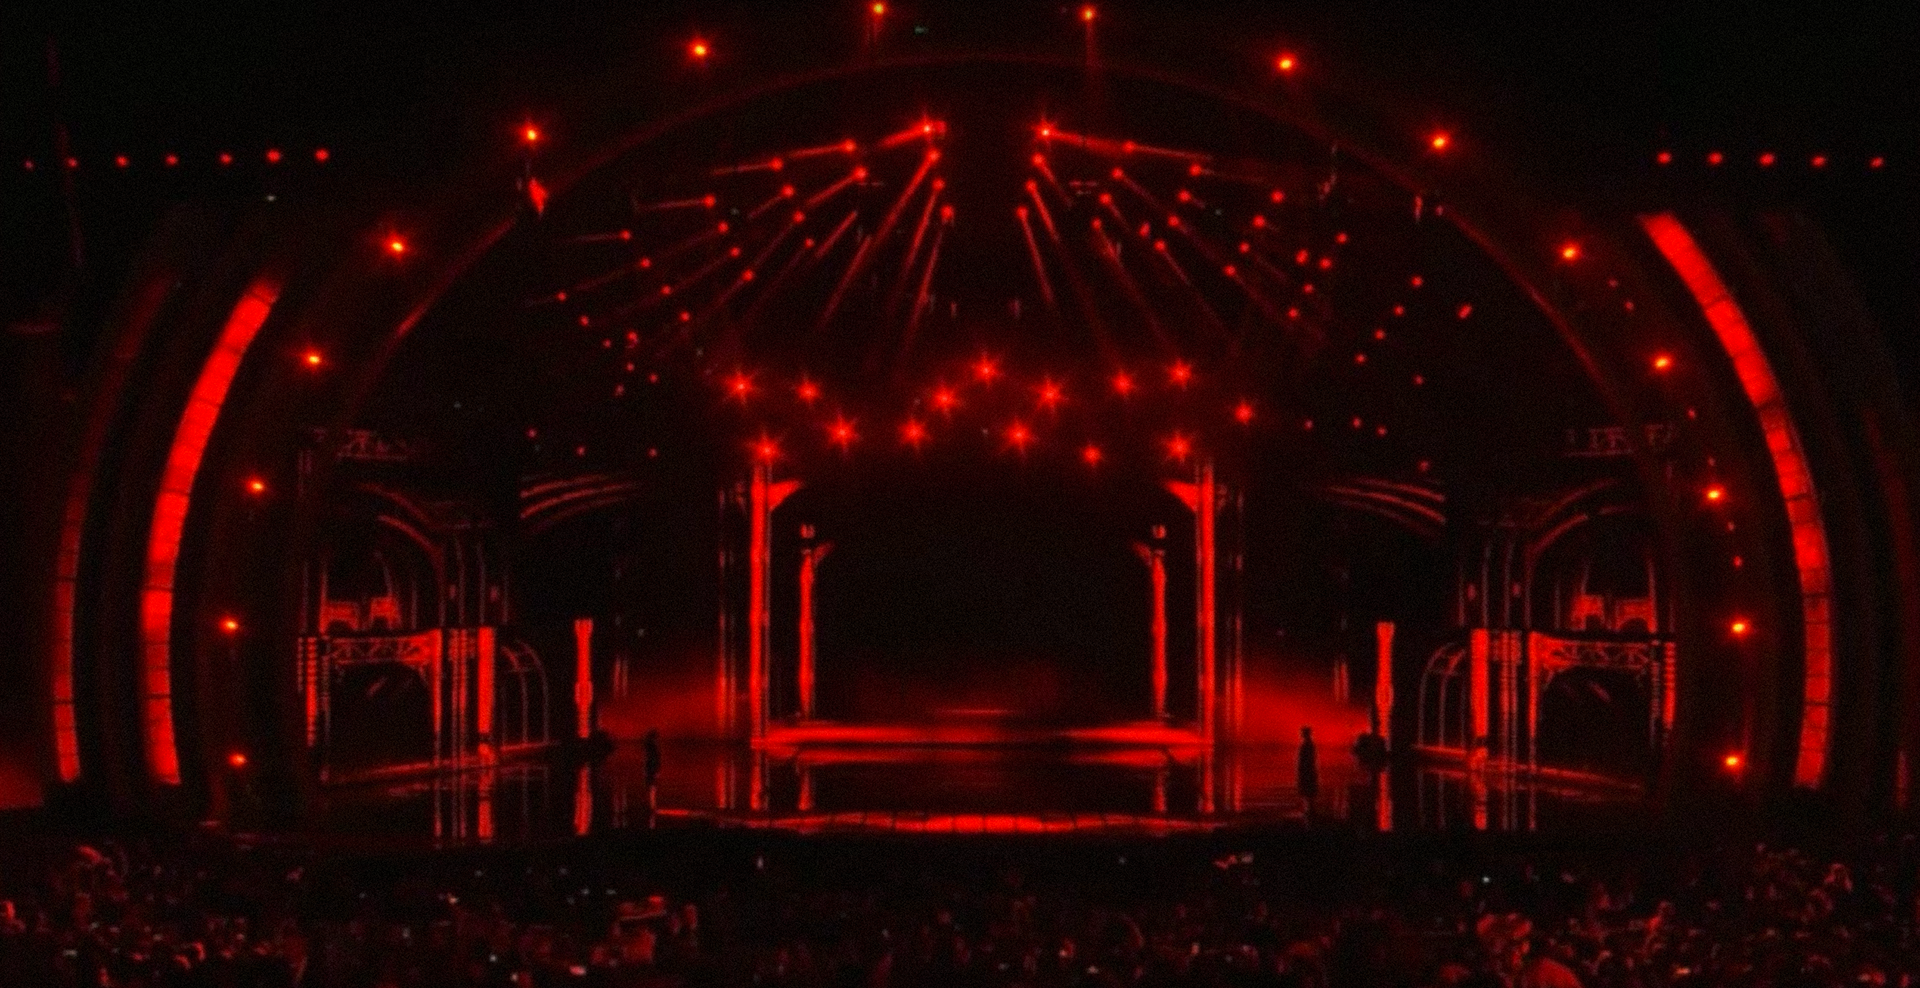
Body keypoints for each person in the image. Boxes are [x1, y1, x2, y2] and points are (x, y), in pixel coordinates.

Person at [1296, 726, 1319, 803]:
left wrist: (1302, 769)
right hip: (1308, 769)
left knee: (1307, 789)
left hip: (1307, 769)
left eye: (1302, 733)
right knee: (1308, 790)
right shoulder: (1309, 743)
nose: (1301, 734)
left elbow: (1306, 758)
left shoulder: (1307, 744)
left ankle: (1309, 806)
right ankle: (1309, 805)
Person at [643, 729, 662, 818]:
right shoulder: (653, 748)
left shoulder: (650, 748)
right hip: (652, 770)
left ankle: (651, 807)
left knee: (651, 788)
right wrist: (657, 771)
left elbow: (649, 760)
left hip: (650, 770)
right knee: (652, 788)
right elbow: (655, 760)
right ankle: (652, 807)